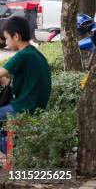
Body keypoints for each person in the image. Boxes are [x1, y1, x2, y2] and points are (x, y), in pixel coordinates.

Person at [0, 16, 52, 154]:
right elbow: (10, 80)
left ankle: (15, 157)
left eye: (6, 38)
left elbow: (2, 72)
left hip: (24, 107)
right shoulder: (34, 53)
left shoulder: (23, 55)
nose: (6, 43)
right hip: (35, 105)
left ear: (16, 36)